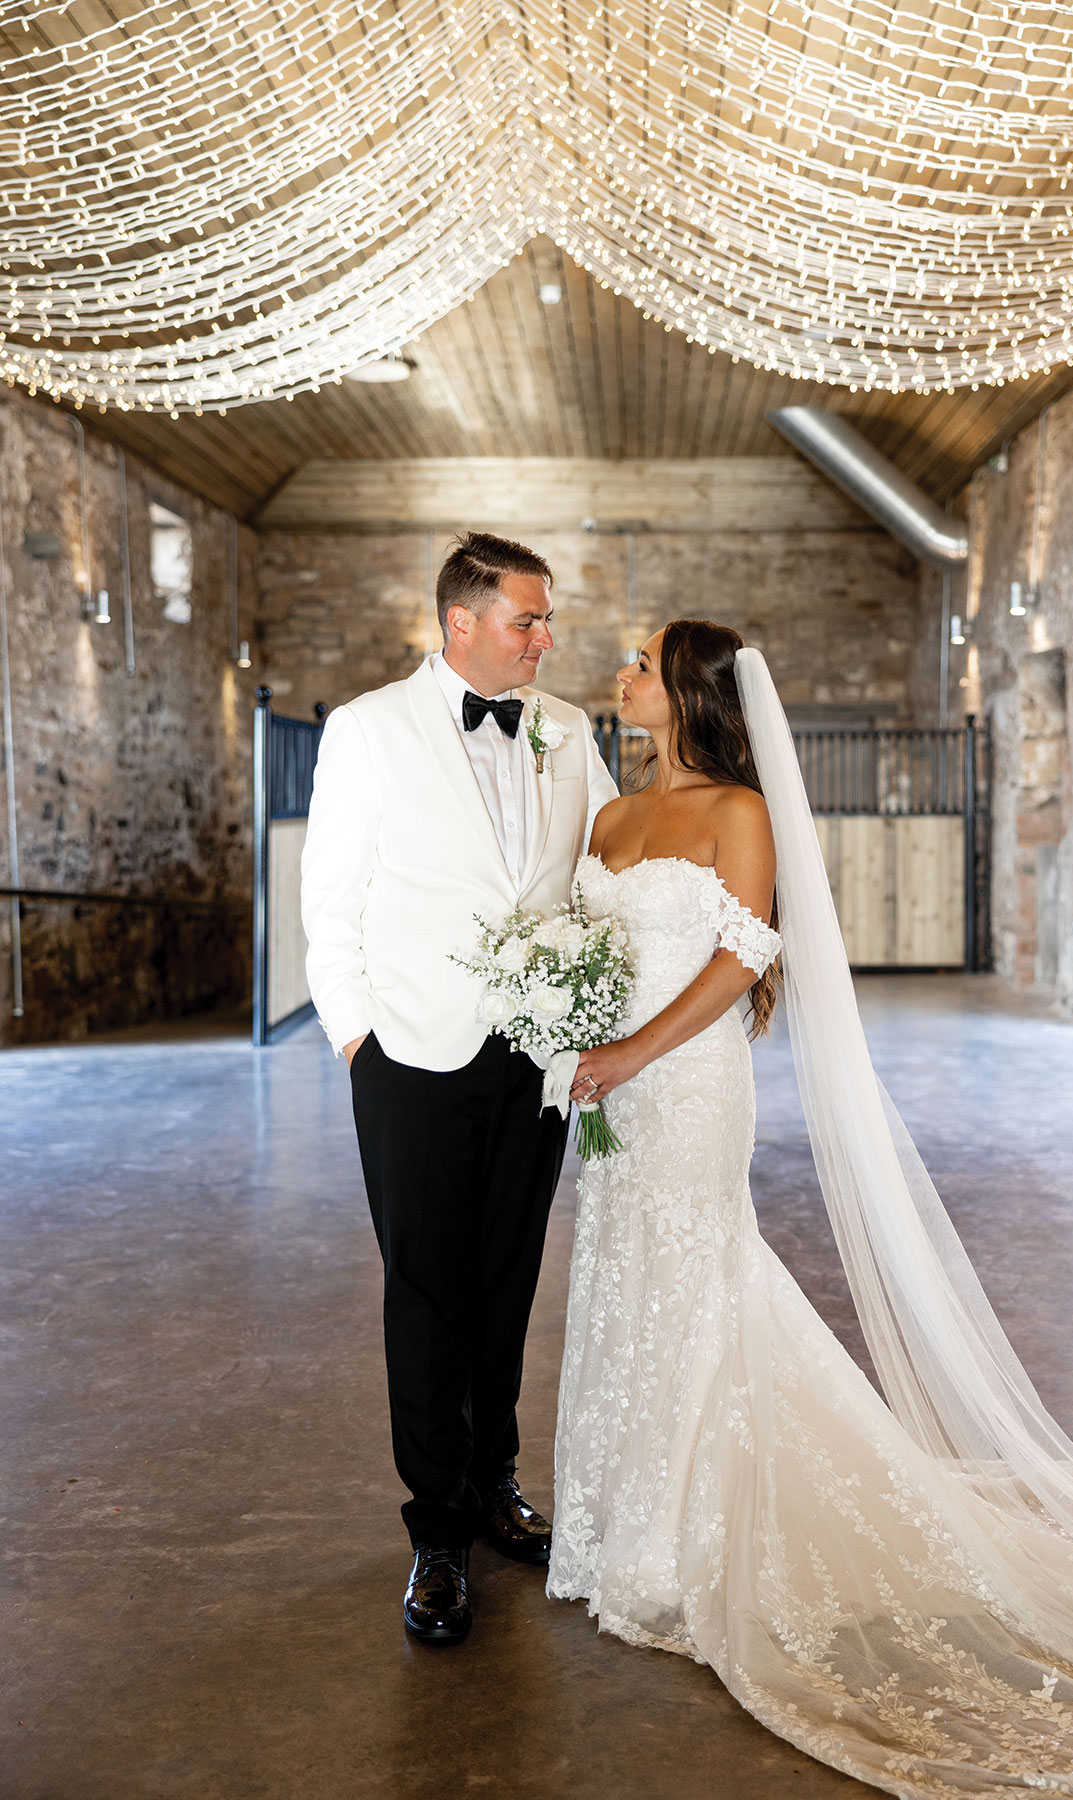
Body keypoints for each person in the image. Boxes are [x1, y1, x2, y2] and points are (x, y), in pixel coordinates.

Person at [553, 618, 1073, 1796]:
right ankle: (620, 1524)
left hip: (685, 1084)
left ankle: (690, 1535)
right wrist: (566, 1024)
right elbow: (581, 950)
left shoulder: (739, 814)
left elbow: (742, 960)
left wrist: (633, 1051)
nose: (623, 674)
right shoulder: (606, 816)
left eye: (643, 663)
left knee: (700, 1277)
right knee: (619, 1275)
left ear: (691, 691)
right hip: (610, 1090)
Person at [300, 531, 617, 1645]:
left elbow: (599, 877)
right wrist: (358, 1042)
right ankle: (436, 1529)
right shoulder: (367, 730)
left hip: (533, 1060)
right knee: (425, 1288)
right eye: (528, 618)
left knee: (506, 1280)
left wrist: (592, 1006)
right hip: (412, 1058)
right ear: (460, 623)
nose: (546, 638)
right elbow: (330, 898)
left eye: (546, 620)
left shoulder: (571, 733)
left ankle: (495, 1485)